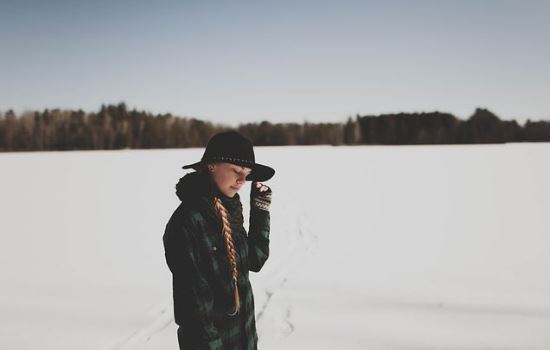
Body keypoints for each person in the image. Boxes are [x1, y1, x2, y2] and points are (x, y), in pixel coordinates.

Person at [163, 131, 275, 350]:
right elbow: (194, 313)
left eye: (247, 173)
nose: (242, 180)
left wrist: (260, 210)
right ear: (212, 165)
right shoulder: (188, 222)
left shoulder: (229, 209)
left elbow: (255, 260)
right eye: (236, 171)